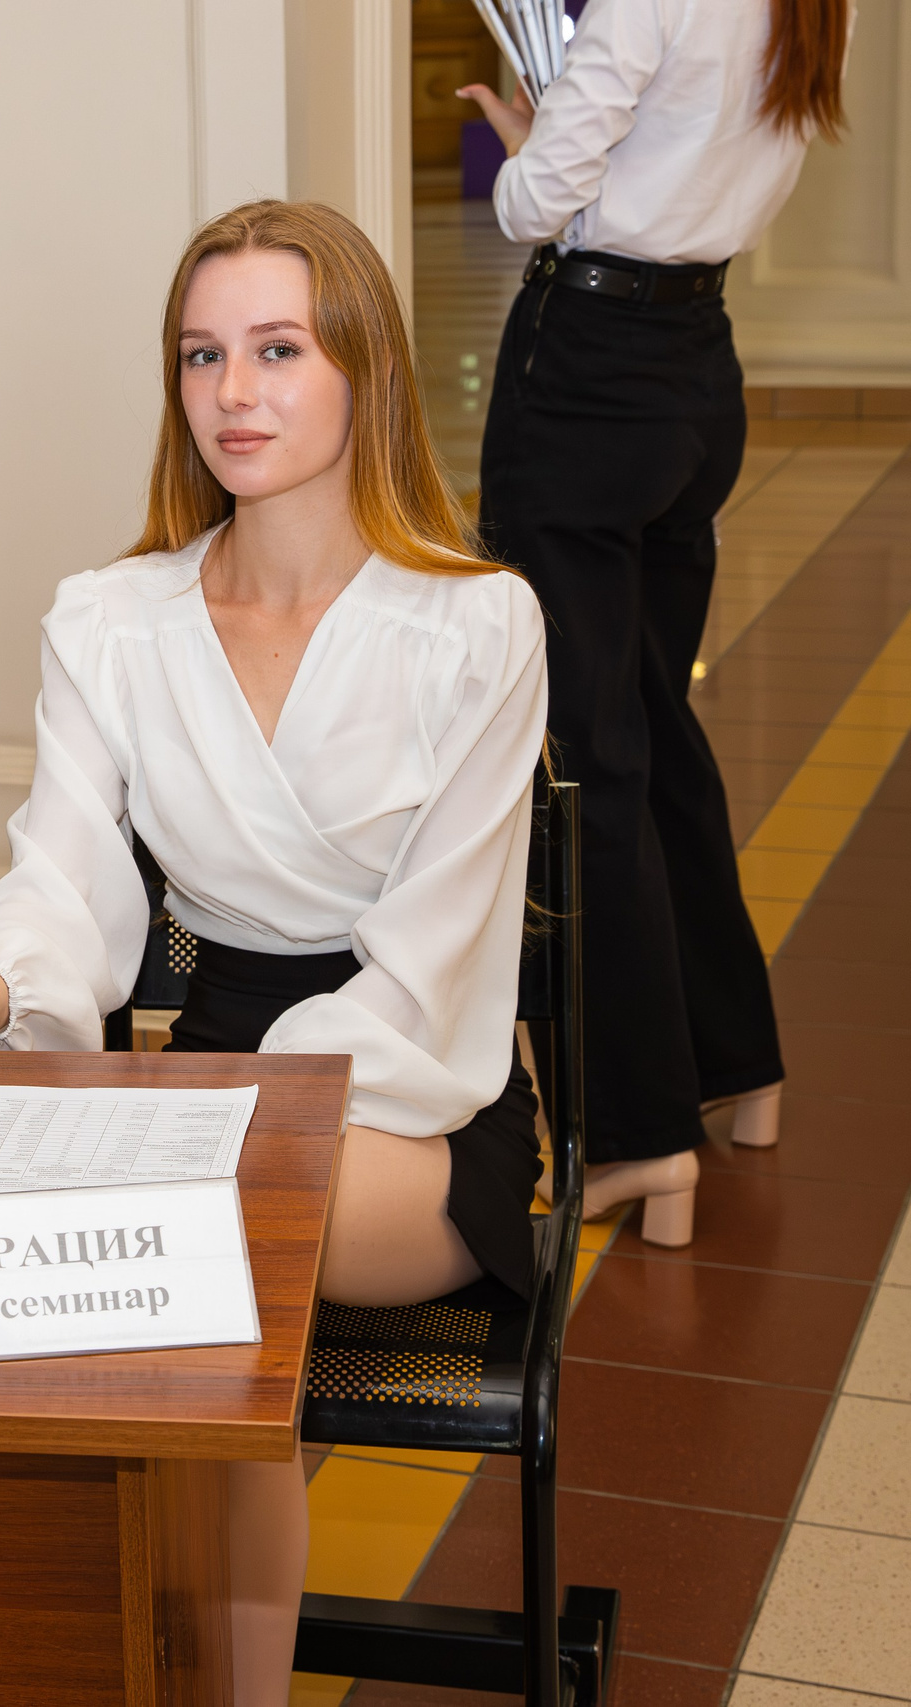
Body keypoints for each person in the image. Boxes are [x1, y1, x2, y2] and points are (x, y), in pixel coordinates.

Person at [0, 200, 547, 1707]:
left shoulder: (475, 624)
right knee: (44, 1194)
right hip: (206, 1070)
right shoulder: (113, 619)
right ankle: (87, 1645)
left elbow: (430, 966)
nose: (235, 391)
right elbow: (65, 878)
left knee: (198, 1246)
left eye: (281, 349)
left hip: (416, 1102)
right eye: (205, 353)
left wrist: (217, 1118)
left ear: (366, 371)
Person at [459, 0, 850, 1239]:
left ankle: (636, 1137)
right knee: (654, 728)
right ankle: (738, 1060)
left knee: (585, 760)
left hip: (582, 375)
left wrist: (528, 153)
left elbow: (530, 206)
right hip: (694, 364)